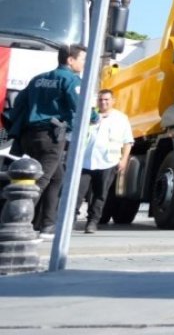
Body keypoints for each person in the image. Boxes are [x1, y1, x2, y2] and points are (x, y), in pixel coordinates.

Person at [6, 43, 87, 237]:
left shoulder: (38, 79)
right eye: (83, 59)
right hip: (50, 137)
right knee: (40, 181)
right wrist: (93, 118)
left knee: (56, 177)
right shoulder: (71, 80)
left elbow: (19, 104)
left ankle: (46, 225)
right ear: (70, 60)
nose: (84, 64)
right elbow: (80, 106)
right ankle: (13, 224)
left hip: (29, 136)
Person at [76, 89, 133, 233]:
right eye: (101, 99)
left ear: (113, 101)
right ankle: (69, 220)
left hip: (108, 161)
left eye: (107, 99)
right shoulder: (89, 115)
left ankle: (92, 222)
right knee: (78, 192)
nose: (103, 102)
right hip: (85, 160)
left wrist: (124, 160)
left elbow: (128, 141)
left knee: (100, 194)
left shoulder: (121, 118)